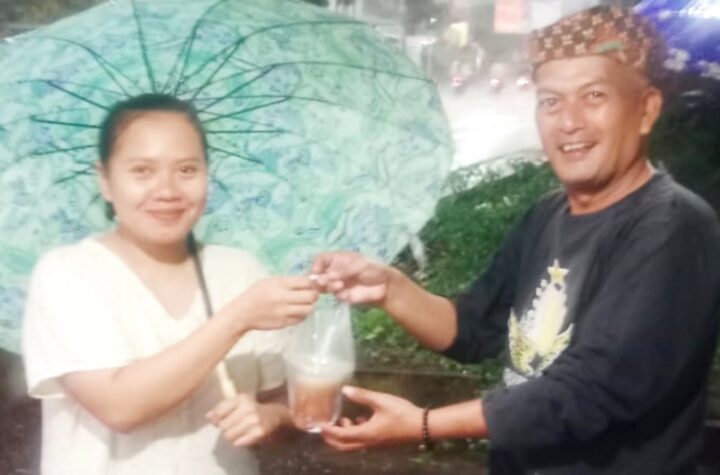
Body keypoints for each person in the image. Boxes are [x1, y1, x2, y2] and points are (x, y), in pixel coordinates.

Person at [313, 6, 720, 474]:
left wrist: (424, 425)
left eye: (593, 96)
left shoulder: (672, 226)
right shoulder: (547, 214)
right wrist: (389, 287)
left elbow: (590, 391)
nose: (568, 121)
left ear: (645, 109)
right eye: (550, 101)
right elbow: (473, 328)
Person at [22, 93, 318, 474]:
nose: (167, 191)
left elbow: (288, 404)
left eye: (186, 170)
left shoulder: (241, 271)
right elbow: (120, 406)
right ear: (105, 180)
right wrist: (237, 318)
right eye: (142, 171)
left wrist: (271, 418)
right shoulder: (68, 273)